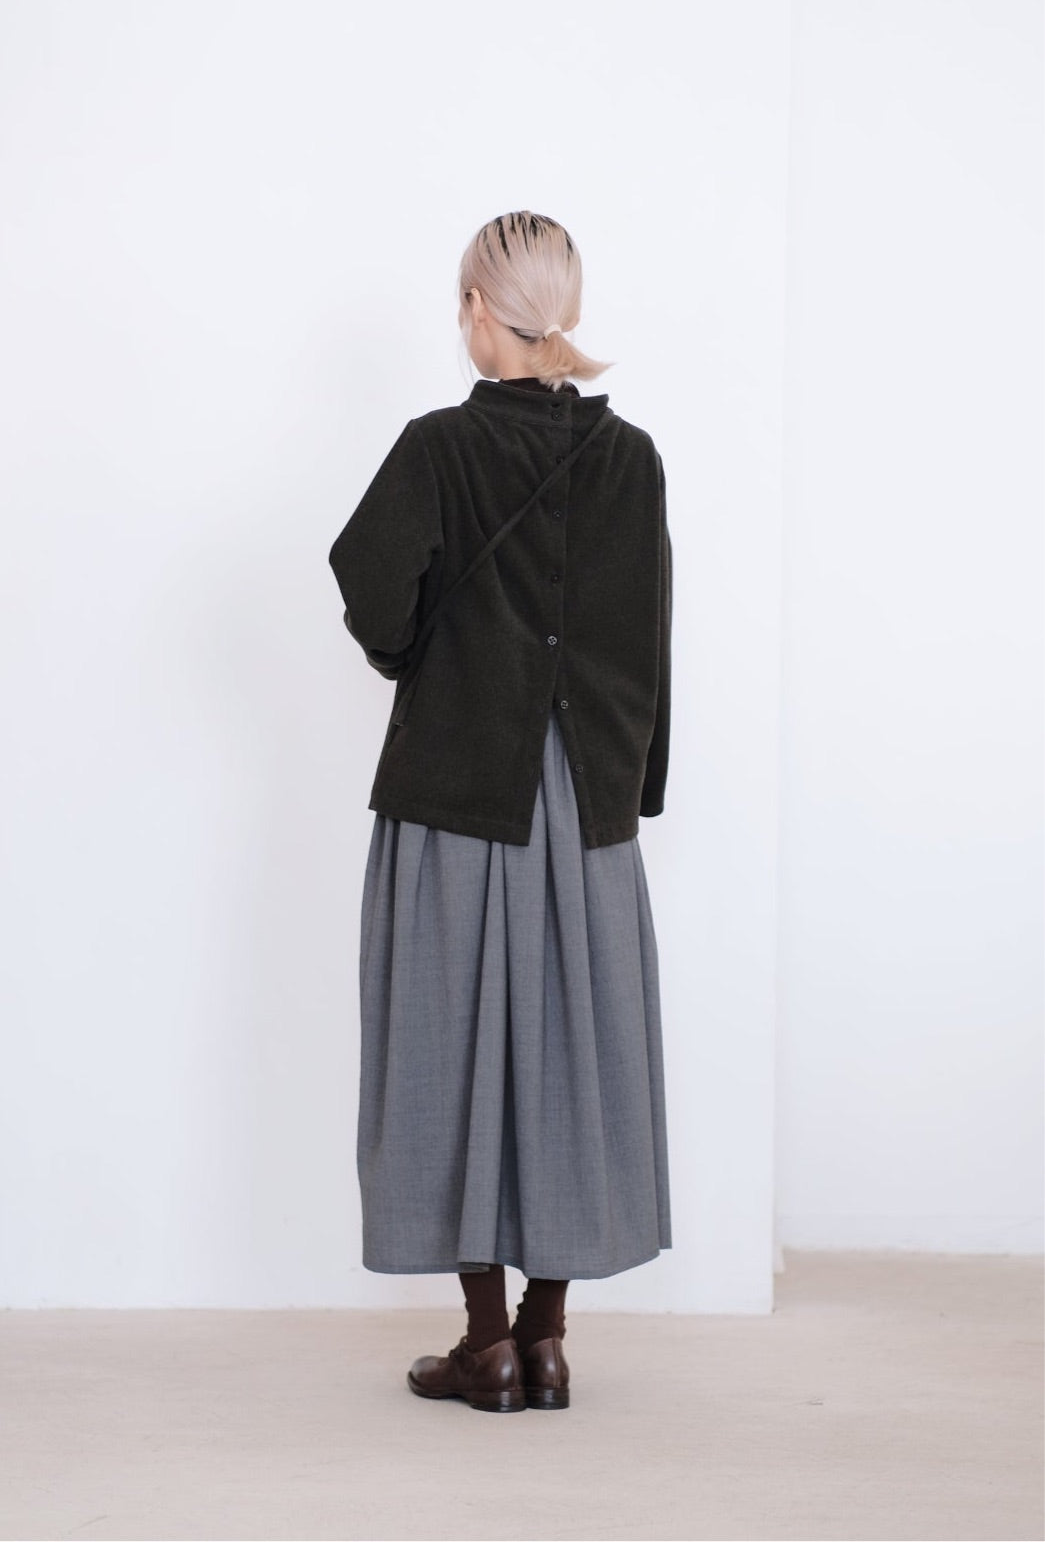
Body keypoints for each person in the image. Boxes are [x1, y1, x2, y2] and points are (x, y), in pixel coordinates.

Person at [328, 211, 672, 1413]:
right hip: (581, 804)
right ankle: (546, 1336)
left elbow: (370, 591)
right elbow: (646, 639)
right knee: (575, 1051)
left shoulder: (438, 446)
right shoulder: (631, 459)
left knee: (448, 1043)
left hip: (457, 791)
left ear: (480, 307)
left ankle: (485, 1343)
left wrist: (410, 658)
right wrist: (629, 793)